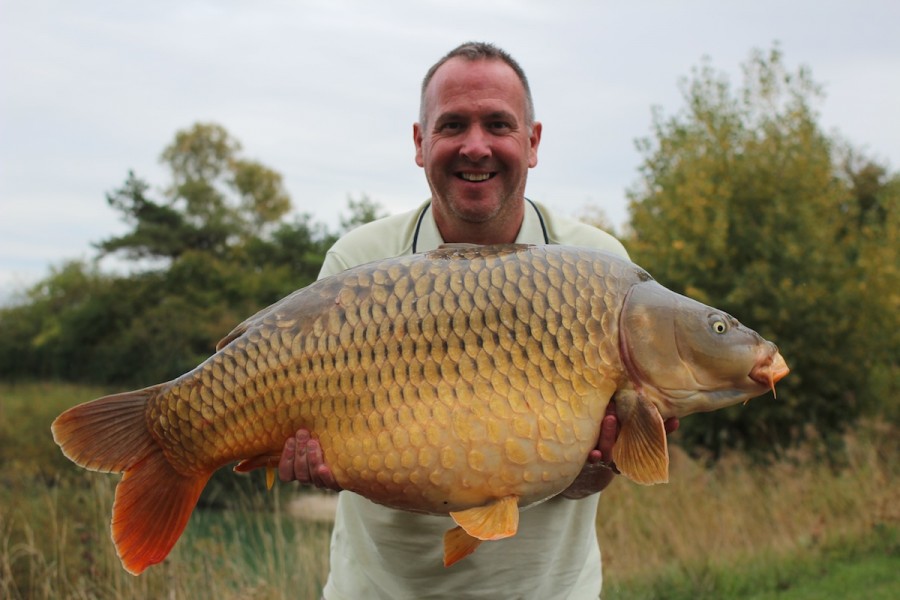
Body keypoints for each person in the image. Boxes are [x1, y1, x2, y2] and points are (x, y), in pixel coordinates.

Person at [279, 41, 678, 599]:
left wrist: (597, 467)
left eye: (498, 124)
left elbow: (597, 466)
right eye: (452, 126)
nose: (475, 146)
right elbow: (320, 438)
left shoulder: (601, 266)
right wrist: (319, 460)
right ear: (420, 144)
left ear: (532, 142)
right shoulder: (358, 261)